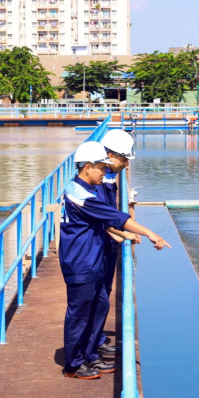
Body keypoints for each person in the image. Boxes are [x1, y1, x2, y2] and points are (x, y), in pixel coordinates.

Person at [61, 141, 170, 380]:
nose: (104, 172)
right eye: (101, 167)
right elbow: (116, 217)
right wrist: (150, 233)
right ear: (88, 167)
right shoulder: (82, 195)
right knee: (80, 314)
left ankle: (89, 355)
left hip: (91, 257)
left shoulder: (84, 190)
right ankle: (73, 364)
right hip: (81, 261)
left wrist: (122, 234)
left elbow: (107, 220)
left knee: (99, 306)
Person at [91, 129, 138, 360]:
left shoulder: (107, 177)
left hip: (105, 246)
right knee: (94, 301)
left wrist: (117, 234)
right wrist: (120, 233)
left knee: (103, 296)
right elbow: (98, 215)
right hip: (94, 250)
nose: (126, 165)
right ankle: (86, 352)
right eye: (124, 159)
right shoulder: (95, 182)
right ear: (110, 155)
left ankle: (96, 341)